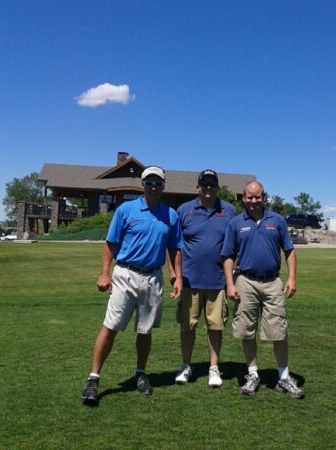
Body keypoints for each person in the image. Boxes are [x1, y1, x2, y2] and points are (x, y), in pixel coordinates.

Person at [81, 166, 184, 406]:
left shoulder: (171, 215)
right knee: (111, 326)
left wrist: (176, 275)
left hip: (152, 278)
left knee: (145, 330)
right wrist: (104, 273)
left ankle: (140, 374)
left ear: (163, 186)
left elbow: (175, 248)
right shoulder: (126, 210)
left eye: (158, 182)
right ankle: (93, 379)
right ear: (142, 185)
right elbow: (110, 244)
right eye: (149, 182)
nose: (153, 186)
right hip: (125, 274)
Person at [221, 181, 304, 399]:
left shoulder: (277, 221)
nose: (253, 201)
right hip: (245, 281)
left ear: (264, 197)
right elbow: (228, 256)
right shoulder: (236, 223)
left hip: (272, 282)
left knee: (279, 330)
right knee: (246, 330)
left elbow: (289, 250)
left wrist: (292, 277)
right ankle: (253, 374)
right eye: (249, 197)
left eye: (257, 197)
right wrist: (230, 283)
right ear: (243, 198)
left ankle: (283, 376)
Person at [172, 169, 237, 388]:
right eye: (204, 184)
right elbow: (174, 245)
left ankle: (213, 368)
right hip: (190, 280)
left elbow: (234, 246)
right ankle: (186, 365)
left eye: (212, 185)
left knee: (215, 326)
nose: (208, 189)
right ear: (197, 187)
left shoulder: (228, 210)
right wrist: (175, 274)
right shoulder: (184, 210)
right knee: (188, 327)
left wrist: (231, 278)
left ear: (218, 187)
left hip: (218, 281)